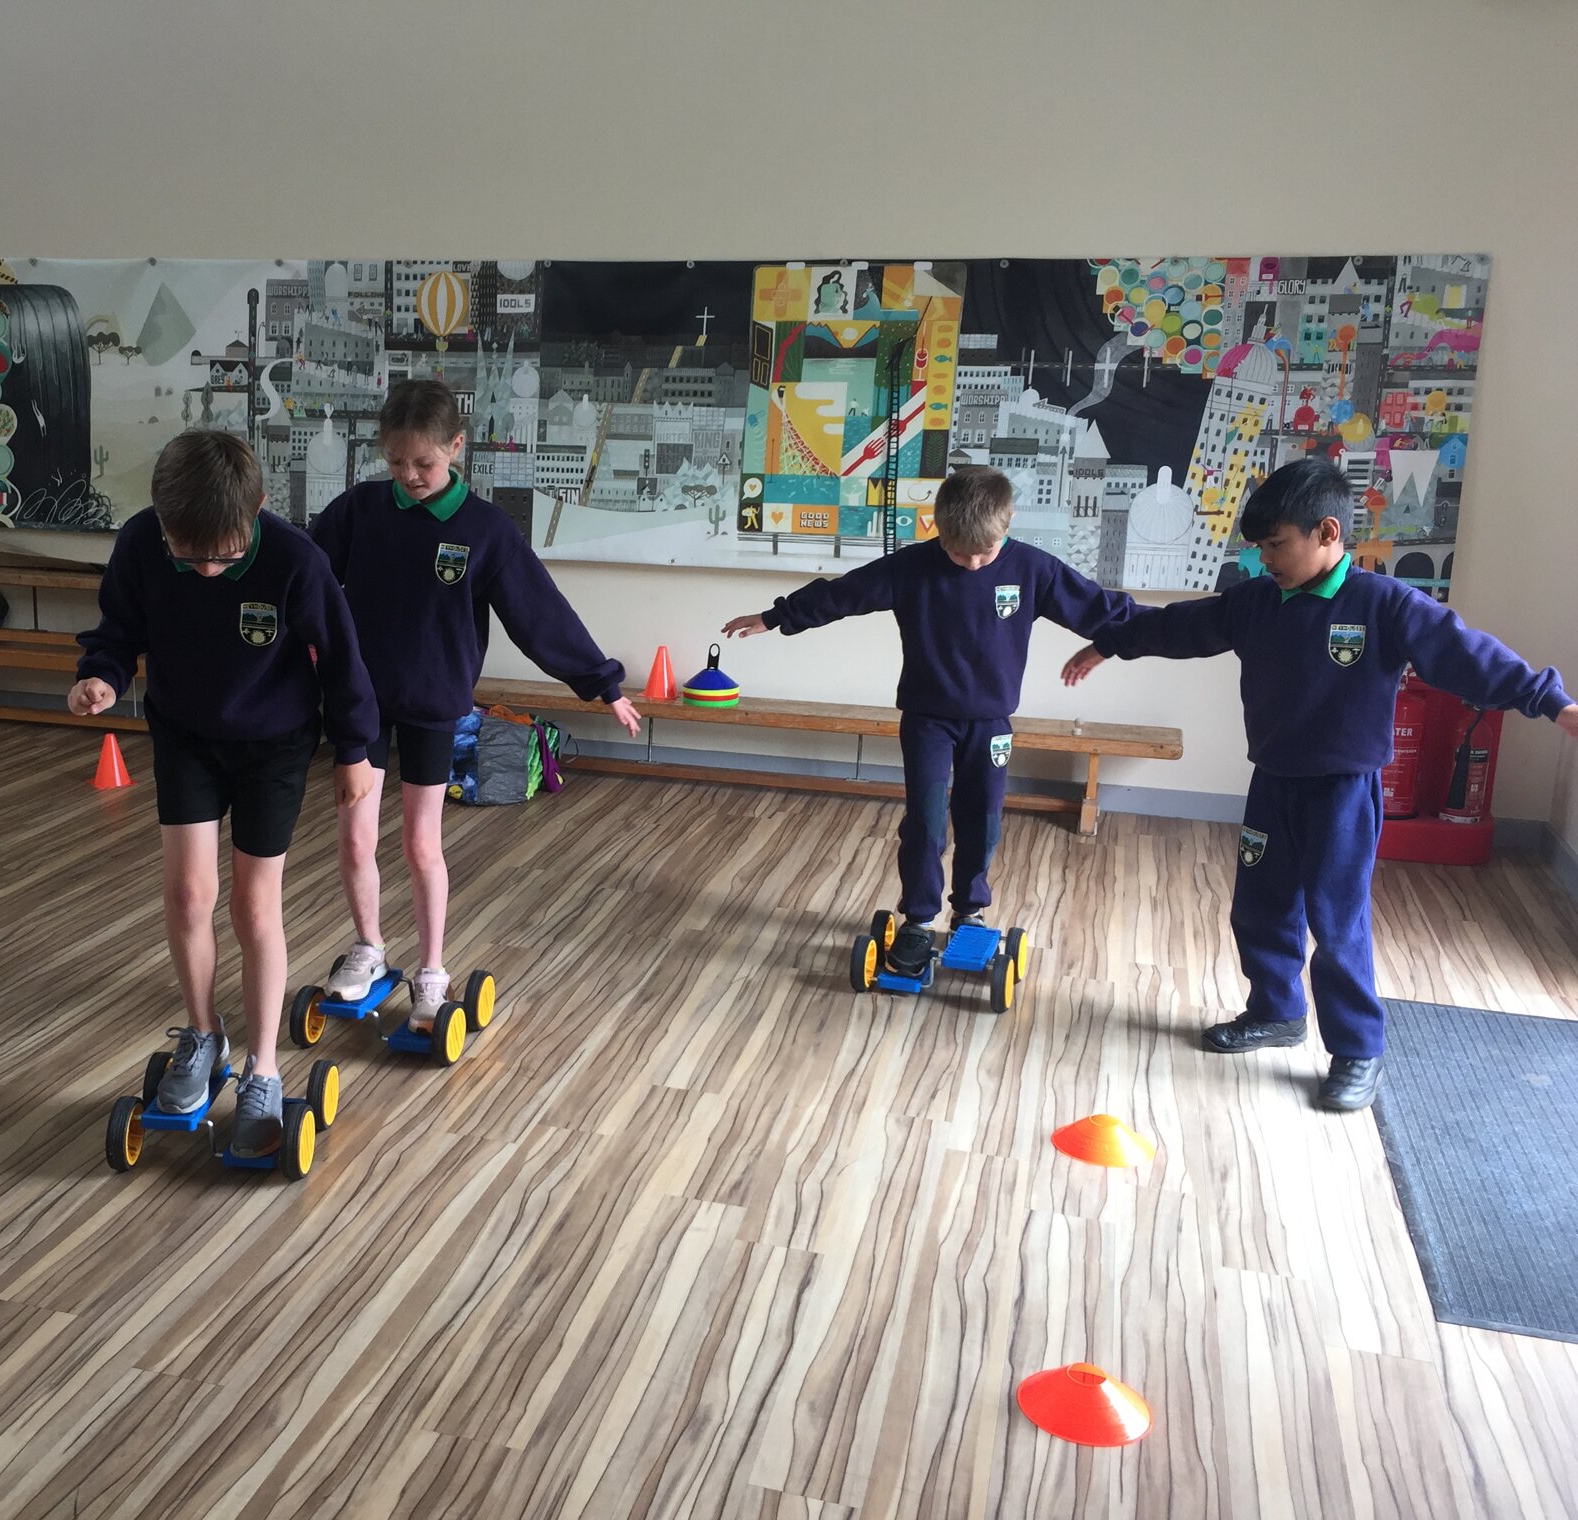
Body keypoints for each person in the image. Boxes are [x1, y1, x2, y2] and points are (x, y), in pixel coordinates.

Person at [1063, 457, 1578, 1111]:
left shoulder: (1384, 605)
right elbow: (1177, 627)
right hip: (1273, 783)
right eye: (1260, 549)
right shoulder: (1256, 603)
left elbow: (1465, 655)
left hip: (1342, 793)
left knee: (1337, 925)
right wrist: (1112, 642)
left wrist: (1550, 701)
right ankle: (1277, 1010)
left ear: (1327, 532)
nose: (1265, 560)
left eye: (1276, 545)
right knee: (1260, 907)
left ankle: (1358, 1050)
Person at [71, 430, 378, 1157]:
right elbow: (118, 629)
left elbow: (341, 659)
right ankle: (202, 1035)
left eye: (225, 556)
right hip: (185, 732)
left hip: (274, 742)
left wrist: (356, 752)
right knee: (185, 894)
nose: (207, 569)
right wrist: (103, 676)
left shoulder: (295, 559)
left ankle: (264, 1067)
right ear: (160, 521)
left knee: (252, 904)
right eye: (190, 554)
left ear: (260, 509)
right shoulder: (143, 544)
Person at [310, 379, 642, 1031]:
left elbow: (539, 614)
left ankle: (432, 970)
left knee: (419, 844)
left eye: (424, 463)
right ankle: (369, 948)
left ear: (456, 447)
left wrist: (602, 682)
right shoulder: (359, 511)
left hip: (434, 704)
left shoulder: (484, 530)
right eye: (397, 462)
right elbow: (307, 580)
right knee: (353, 839)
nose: (408, 476)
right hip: (360, 703)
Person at [724, 466, 1139, 973]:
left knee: (982, 819)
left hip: (991, 726)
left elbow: (1102, 610)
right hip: (926, 720)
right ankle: (919, 919)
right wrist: (775, 617)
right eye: (958, 551)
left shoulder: (1033, 569)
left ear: (1005, 530)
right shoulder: (912, 567)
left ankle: (969, 911)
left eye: (983, 553)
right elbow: (843, 594)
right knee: (923, 822)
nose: (970, 562)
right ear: (938, 531)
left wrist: (1134, 638)